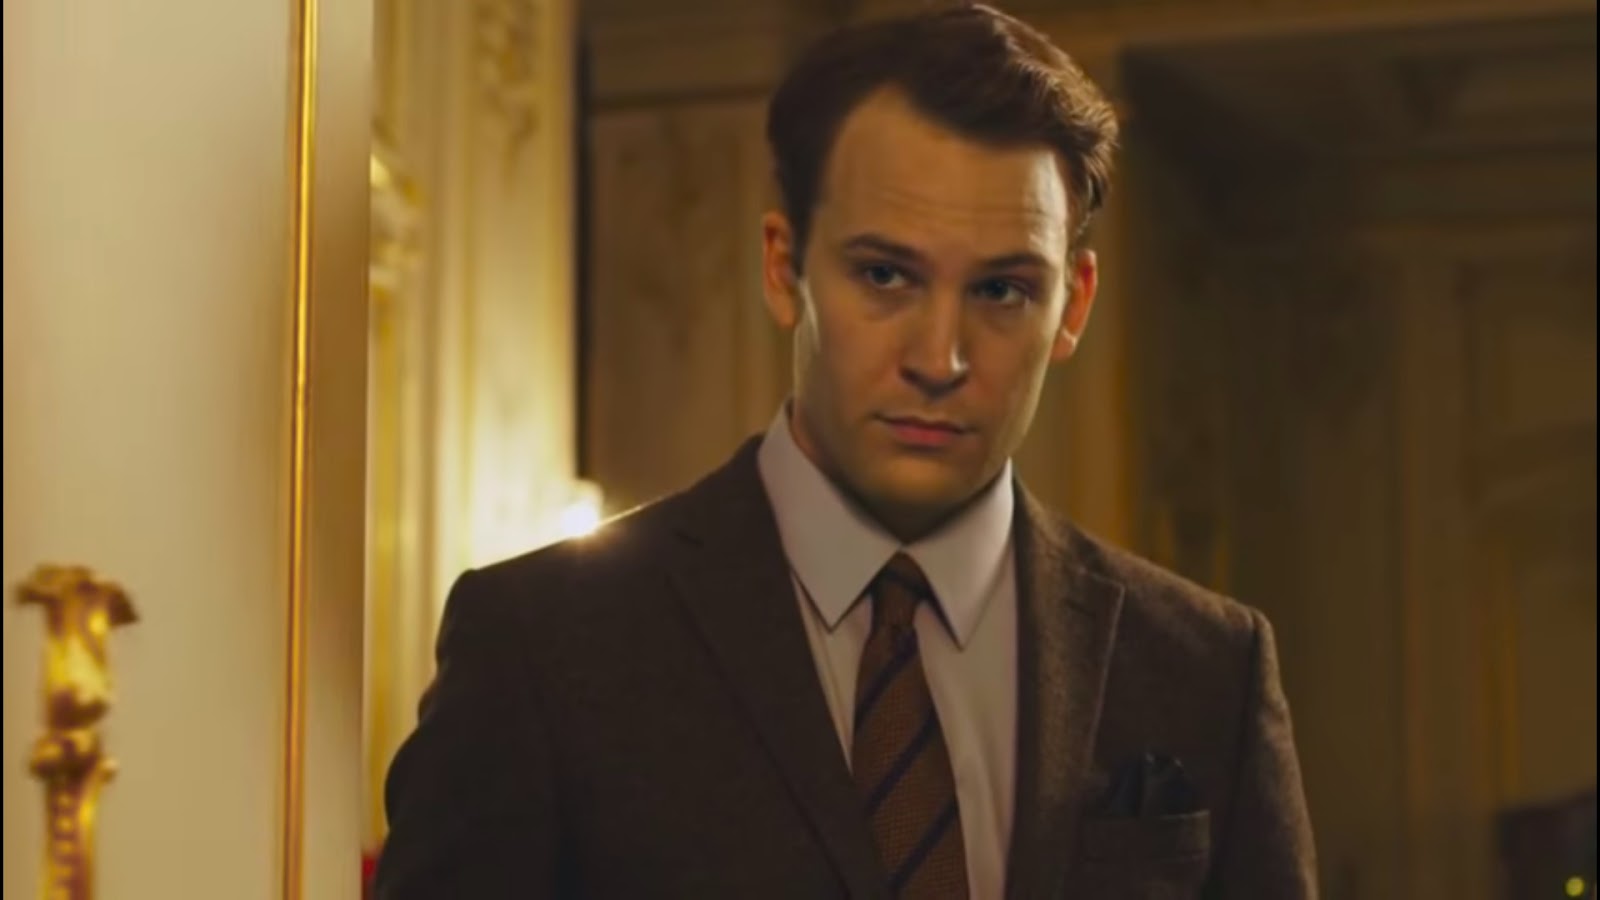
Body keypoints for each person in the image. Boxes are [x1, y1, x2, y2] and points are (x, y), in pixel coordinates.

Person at [375, 3, 1317, 898]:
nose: (939, 359)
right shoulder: (545, 645)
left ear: (1073, 305)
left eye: (1002, 291)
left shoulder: (1207, 669)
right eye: (885, 274)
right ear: (783, 266)